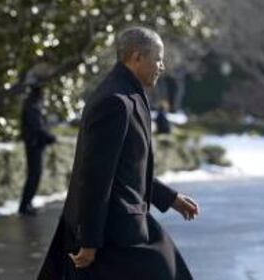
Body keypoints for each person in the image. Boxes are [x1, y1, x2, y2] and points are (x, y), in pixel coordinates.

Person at [38, 26, 199, 280]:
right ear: (137, 57)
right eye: (158, 58)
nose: (162, 66)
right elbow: (95, 176)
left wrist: (170, 198)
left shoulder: (130, 94)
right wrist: (89, 240)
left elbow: (130, 169)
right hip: (111, 234)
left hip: (124, 226)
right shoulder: (114, 100)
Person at [19, 85, 56, 216]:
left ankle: (26, 204)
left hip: (35, 145)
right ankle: (25, 205)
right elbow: (37, 128)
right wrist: (50, 137)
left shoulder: (32, 107)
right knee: (34, 175)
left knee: (34, 175)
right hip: (34, 146)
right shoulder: (32, 108)